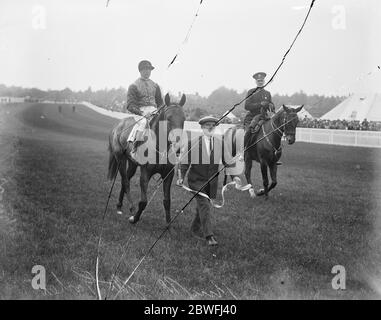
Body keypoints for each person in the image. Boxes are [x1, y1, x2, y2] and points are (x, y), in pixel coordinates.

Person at [177, 116, 224, 246]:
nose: (210, 128)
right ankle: (209, 236)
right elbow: (185, 163)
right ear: (202, 128)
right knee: (204, 205)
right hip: (196, 181)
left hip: (211, 183)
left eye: (213, 126)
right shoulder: (193, 143)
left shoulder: (220, 143)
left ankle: (194, 228)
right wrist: (181, 177)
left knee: (202, 207)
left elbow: (227, 161)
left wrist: (234, 176)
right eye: (207, 125)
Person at [126, 60, 163, 160]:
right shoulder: (133, 85)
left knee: (164, 123)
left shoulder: (155, 85)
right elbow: (130, 105)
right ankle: (134, 149)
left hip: (154, 111)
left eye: (149, 69)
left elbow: (160, 103)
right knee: (143, 123)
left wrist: (159, 110)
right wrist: (142, 113)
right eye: (145, 69)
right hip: (140, 111)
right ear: (140, 71)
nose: (148, 71)